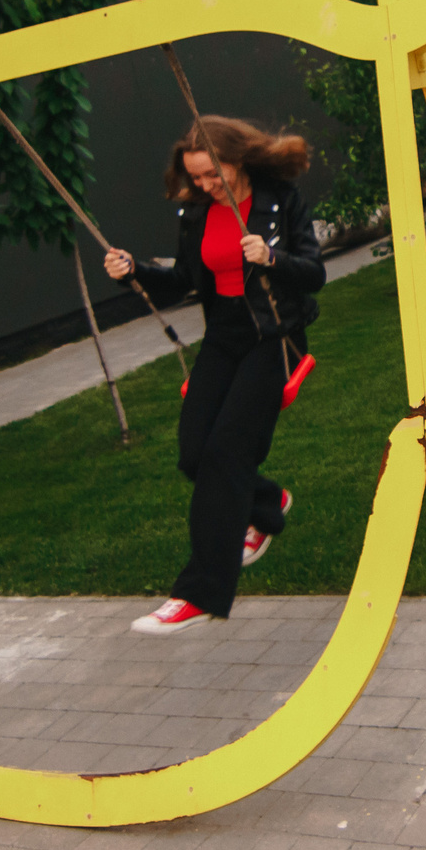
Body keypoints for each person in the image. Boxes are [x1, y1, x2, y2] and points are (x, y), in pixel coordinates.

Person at [104, 116, 325, 634]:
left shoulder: (279, 200)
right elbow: (183, 280)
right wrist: (134, 271)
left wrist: (273, 257)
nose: (202, 185)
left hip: (274, 337)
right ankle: (266, 502)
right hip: (223, 336)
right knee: (193, 453)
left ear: (237, 161)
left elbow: (314, 274)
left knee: (227, 451)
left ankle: (198, 593)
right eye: (194, 177)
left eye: (209, 174)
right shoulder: (197, 212)